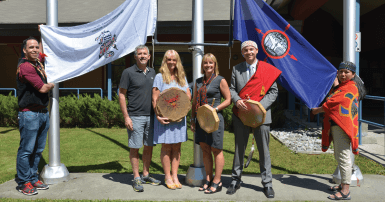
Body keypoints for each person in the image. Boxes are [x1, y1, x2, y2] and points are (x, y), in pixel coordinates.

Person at [228, 40, 281, 198]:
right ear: (243, 53)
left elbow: (273, 91)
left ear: (257, 51)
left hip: (262, 116)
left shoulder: (267, 69)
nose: (249, 52)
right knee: (239, 149)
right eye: (245, 50)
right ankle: (235, 180)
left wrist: (259, 106)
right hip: (241, 115)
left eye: (251, 49)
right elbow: (231, 88)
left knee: (264, 151)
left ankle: (267, 183)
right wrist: (236, 100)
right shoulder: (236, 69)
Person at [312, 61, 366, 200]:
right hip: (338, 125)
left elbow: (334, 102)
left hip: (343, 126)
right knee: (339, 156)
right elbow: (337, 95)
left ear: (353, 74)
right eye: (340, 71)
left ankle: (345, 191)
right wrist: (336, 85)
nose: (343, 74)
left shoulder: (351, 87)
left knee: (343, 157)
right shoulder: (343, 87)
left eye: (346, 72)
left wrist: (317, 110)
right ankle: (343, 185)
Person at [16, 36, 55, 195]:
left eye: (36, 47)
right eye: (31, 47)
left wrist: (43, 33)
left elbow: (43, 50)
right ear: (24, 50)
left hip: (42, 113)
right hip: (29, 114)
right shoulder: (25, 66)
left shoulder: (37, 61)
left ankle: (33, 178)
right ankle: (24, 182)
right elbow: (43, 88)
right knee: (26, 150)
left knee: (38, 150)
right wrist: (55, 82)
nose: (35, 50)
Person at [119, 45, 161, 192]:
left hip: (151, 117)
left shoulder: (153, 73)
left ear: (149, 57)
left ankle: (146, 174)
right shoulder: (128, 72)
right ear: (135, 57)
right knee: (135, 147)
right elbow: (122, 95)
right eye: (139, 54)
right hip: (135, 117)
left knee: (149, 147)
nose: (142, 56)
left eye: (145, 54)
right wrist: (126, 117)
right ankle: (136, 177)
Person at [190, 53, 231, 194]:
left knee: (216, 149)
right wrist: (192, 119)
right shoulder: (198, 81)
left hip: (215, 120)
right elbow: (194, 102)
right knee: (205, 150)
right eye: (205, 63)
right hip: (201, 120)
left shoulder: (220, 80)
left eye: (211, 63)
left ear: (215, 65)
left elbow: (228, 99)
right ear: (202, 65)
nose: (208, 65)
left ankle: (217, 181)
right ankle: (208, 179)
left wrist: (215, 109)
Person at [152, 50, 191, 190]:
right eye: (168, 59)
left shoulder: (182, 77)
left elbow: (188, 95)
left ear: (177, 61)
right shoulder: (159, 76)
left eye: (174, 60)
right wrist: (158, 115)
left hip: (179, 118)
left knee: (177, 147)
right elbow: (155, 98)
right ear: (165, 61)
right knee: (166, 147)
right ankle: (167, 176)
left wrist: (185, 100)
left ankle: (175, 176)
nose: (171, 62)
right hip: (165, 119)